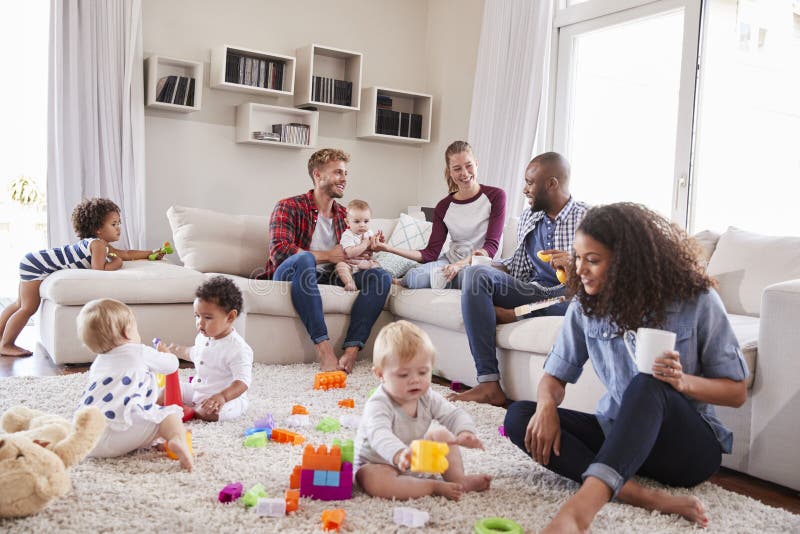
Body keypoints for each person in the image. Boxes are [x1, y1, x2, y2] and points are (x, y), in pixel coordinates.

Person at [504, 203, 749, 532]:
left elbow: (735, 392)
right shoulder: (585, 307)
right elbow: (554, 377)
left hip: (686, 451)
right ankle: (640, 495)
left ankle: (581, 509)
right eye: (577, 258)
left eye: (592, 260)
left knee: (647, 384)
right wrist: (547, 405)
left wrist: (681, 382)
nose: (581, 270)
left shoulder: (696, 299)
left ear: (626, 262)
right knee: (520, 416)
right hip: (618, 436)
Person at [450, 152, 588, 405]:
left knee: (578, 306)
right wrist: (484, 264)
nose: (524, 190)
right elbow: (516, 266)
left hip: (567, 295)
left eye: (529, 182)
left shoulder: (589, 220)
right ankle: (489, 383)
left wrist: (575, 265)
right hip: (533, 290)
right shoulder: (530, 216)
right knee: (475, 274)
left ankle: (515, 313)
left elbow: (604, 282)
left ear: (552, 184)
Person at [262, 148, 392, 374]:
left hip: (331, 276)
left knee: (380, 276)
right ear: (317, 175)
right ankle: (324, 348)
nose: (344, 179)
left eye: (345, 173)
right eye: (338, 173)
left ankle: (351, 350)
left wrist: (367, 250)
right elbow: (280, 251)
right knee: (304, 258)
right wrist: (328, 255)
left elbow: (352, 255)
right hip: (289, 273)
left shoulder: (345, 216)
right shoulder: (288, 206)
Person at [0, 197, 166, 357]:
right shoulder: (98, 245)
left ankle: (1, 336)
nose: (119, 228)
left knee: (19, 304)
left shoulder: (101, 244)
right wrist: (117, 262)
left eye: (119, 223)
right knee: (28, 307)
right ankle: (6, 344)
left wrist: (151, 253)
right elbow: (99, 269)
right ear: (98, 229)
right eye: (113, 224)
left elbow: (128, 253)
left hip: (33, 260)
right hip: (37, 265)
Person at [354, 320, 492, 500]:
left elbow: (453, 414)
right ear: (380, 375)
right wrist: (398, 454)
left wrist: (465, 432)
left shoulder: (427, 396)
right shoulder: (379, 403)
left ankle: (459, 480)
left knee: (442, 435)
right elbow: (379, 434)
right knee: (375, 482)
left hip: (413, 456)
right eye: (404, 374)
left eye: (423, 372)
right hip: (377, 462)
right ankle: (432, 486)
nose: (415, 380)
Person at [76, 298, 193, 470]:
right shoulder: (138, 351)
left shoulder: (98, 364)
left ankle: (143, 441)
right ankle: (177, 440)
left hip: (89, 439)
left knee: (132, 413)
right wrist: (166, 354)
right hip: (121, 432)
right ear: (127, 332)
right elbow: (171, 366)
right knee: (168, 415)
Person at [371, 141, 506, 289]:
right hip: (449, 262)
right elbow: (430, 253)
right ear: (449, 172)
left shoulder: (496, 196)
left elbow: (491, 248)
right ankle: (405, 281)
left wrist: (458, 266)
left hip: (479, 266)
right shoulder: (443, 206)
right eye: (457, 168)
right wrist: (388, 248)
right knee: (416, 277)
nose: (465, 173)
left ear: (476, 164)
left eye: (469, 165)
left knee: (471, 278)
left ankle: (442, 281)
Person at [158, 276, 253, 422]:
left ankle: (190, 411)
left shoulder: (238, 349)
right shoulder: (203, 337)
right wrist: (175, 350)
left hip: (226, 398)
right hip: (198, 389)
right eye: (197, 316)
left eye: (207, 318)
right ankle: (177, 407)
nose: (200, 323)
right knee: (166, 391)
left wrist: (222, 396)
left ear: (230, 317)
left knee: (209, 413)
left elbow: (242, 382)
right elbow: (194, 353)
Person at [335, 199, 382, 291]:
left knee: (378, 265)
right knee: (340, 266)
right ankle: (349, 282)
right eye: (357, 221)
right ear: (348, 222)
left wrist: (377, 243)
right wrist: (364, 244)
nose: (362, 225)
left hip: (364, 264)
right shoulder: (347, 235)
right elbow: (350, 253)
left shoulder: (369, 232)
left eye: (366, 221)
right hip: (350, 265)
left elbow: (373, 250)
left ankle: (392, 280)